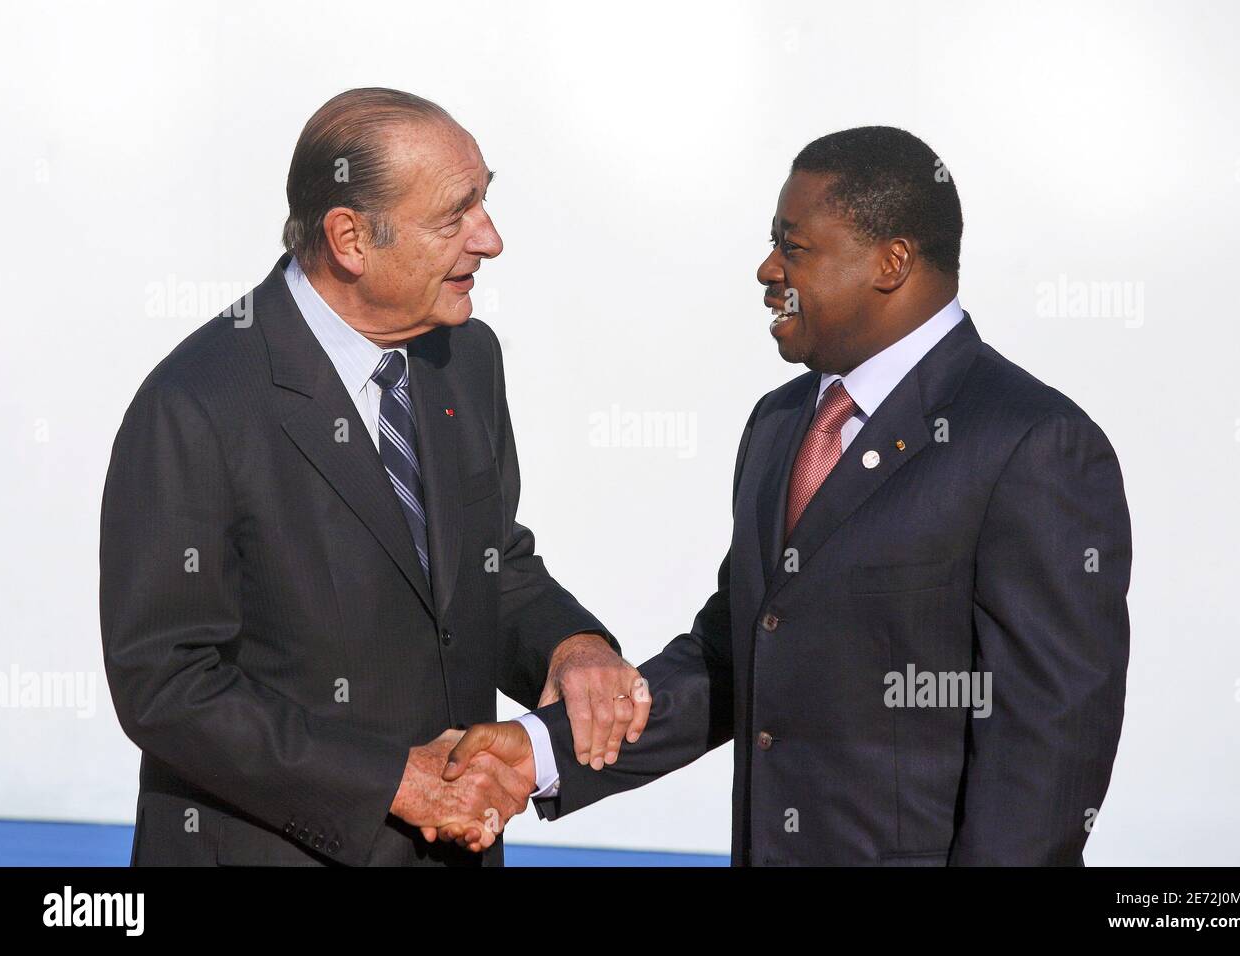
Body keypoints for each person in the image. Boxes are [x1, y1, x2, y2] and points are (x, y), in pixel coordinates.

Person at [444, 126, 1132, 866]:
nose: (768, 269)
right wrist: (540, 752)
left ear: (891, 262)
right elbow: (733, 656)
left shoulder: (1032, 444)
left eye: (794, 247)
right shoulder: (780, 424)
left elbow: (1048, 751)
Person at [99, 88, 649, 867]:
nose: (489, 240)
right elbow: (168, 684)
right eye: (455, 215)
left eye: (484, 201)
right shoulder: (196, 403)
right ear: (350, 239)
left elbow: (489, 562)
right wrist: (396, 783)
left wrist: (571, 648)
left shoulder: (465, 358)